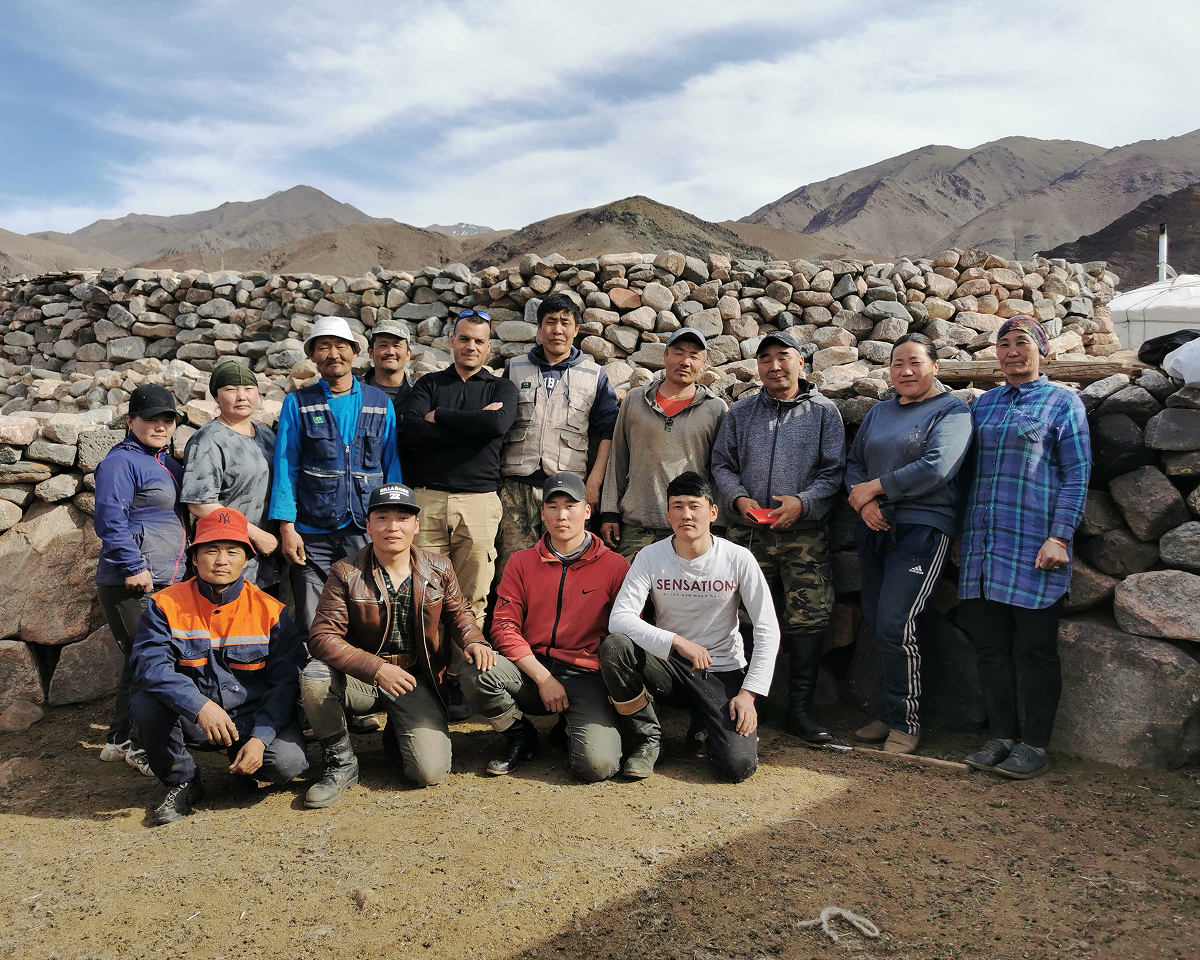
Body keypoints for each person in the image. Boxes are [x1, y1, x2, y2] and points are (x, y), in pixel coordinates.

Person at [300, 483, 496, 806]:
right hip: (362, 678)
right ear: (368, 525)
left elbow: (460, 613)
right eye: (382, 518)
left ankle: (399, 729)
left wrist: (474, 640)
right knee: (315, 678)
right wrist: (376, 668)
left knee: (429, 772)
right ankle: (341, 763)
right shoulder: (345, 572)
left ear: (416, 525)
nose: (393, 527)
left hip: (413, 678)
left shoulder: (439, 567)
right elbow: (322, 637)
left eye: (403, 518)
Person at [957, 317, 1090, 779]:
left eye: (1022, 342)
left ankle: (1034, 744)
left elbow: (1076, 474)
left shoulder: (1063, 403)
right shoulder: (984, 404)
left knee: (1035, 651)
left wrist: (1060, 536)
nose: (1013, 351)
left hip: (1035, 545)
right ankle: (1002, 737)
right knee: (991, 648)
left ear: (1042, 350)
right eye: (1005, 344)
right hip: (983, 546)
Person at [128, 508, 308, 826]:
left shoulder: (271, 611)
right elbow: (150, 666)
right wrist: (198, 705)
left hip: (251, 717)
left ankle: (244, 763)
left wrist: (260, 737)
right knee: (145, 705)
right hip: (194, 717)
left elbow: (285, 683)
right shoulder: (164, 605)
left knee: (287, 763)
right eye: (211, 550)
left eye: (232, 551)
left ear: (246, 559)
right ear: (194, 557)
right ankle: (182, 780)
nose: (221, 560)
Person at [710, 330, 846, 746]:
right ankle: (747, 704)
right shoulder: (740, 412)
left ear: (800, 362)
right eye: (765, 358)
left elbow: (834, 471)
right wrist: (738, 499)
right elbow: (721, 464)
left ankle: (800, 711)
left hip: (804, 535)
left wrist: (802, 503)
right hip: (748, 535)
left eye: (783, 356)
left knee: (808, 617)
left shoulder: (824, 413)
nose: (774, 366)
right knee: (743, 616)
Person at [600, 471, 780, 783]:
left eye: (695, 506)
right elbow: (620, 618)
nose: (686, 515)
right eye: (678, 507)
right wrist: (677, 641)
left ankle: (706, 723)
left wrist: (749, 694)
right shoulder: (650, 556)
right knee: (615, 648)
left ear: (713, 512)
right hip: (669, 667)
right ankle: (647, 739)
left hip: (721, 670)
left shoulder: (738, 559)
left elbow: (767, 628)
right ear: (668, 514)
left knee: (736, 767)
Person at [844, 333, 973, 755]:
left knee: (896, 622)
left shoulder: (951, 410)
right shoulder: (879, 412)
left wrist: (875, 488)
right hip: (874, 526)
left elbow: (937, 467)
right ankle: (887, 711)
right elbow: (854, 464)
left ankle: (905, 721)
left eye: (915, 362)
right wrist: (865, 503)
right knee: (877, 621)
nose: (906, 371)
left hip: (922, 528)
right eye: (898, 363)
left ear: (935, 366)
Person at [459, 472, 630, 780]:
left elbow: (624, 633)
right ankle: (520, 735)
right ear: (542, 513)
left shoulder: (615, 566)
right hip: (530, 669)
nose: (561, 515)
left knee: (597, 766)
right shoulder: (520, 562)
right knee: (476, 672)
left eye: (570, 506)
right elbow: (504, 626)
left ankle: (570, 724)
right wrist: (543, 678)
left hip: (585, 674)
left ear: (587, 511)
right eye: (553, 507)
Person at [397, 310, 517, 717]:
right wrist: (472, 427)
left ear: (489, 346)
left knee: (471, 596)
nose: (471, 346)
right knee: (425, 596)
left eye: (479, 341)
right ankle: (427, 679)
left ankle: (461, 680)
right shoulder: (430, 384)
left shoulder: (500, 386)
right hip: (428, 500)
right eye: (464, 339)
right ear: (451, 341)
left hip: (478, 503)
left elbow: (496, 426)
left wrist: (443, 418)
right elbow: (411, 430)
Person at [269, 316, 401, 632]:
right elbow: (286, 465)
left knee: (367, 613)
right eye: (324, 347)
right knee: (312, 617)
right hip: (311, 530)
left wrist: (391, 523)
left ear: (354, 352)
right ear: (313, 356)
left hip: (363, 528)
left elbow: (392, 465)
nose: (333, 354)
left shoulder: (380, 402)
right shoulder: (298, 403)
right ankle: (316, 664)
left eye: (341, 346)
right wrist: (287, 527)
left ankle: (360, 664)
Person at [93, 384, 189, 777]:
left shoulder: (167, 464)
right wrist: (133, 566)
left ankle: (118, 740)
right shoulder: (120, 462)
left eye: (168, 419)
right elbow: (109, 519)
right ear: (131, 420)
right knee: (151, 660)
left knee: (138, 659)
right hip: (132, 580)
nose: (160, 426)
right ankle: (141, 745)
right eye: (151, 419)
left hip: (165, 578)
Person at [495, 293, 620, 581]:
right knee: (512, 569)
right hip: (516, 487)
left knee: (566, 570)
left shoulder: (594, 375)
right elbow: (498, 424)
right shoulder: (515, 369)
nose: (557, 330)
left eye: (565, 322)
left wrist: (594, 482)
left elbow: (608, 431)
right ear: (539, 328)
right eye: (550, 322)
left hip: (569, 490)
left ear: (577, 329)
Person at [600, 328, 728, 562]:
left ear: (704, 363)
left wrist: (717, 524)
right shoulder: (635, 400)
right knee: (630, 585)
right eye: (678, 352)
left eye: (694, 355)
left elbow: (721, 471)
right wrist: (609, 511)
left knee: (684, 586)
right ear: (665, 355)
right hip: (637, 525)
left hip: (690, 527)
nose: (685, 361)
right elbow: (617, 457)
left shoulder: (715, 409)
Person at [182, 360, 280, 589]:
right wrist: (258, 535)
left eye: (248, 389)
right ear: (216, 396)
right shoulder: (208, 440)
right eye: (230, 389)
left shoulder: (267, 436)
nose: (241, 396)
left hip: (268, 560)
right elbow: (200, 503)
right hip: (226, 560)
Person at [361, 318, 415, 410]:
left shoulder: (420, 391)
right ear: (370, 352)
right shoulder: (354, 390)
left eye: (397, 346)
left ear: (408, 354)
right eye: (383, 345)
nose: (390, 352)